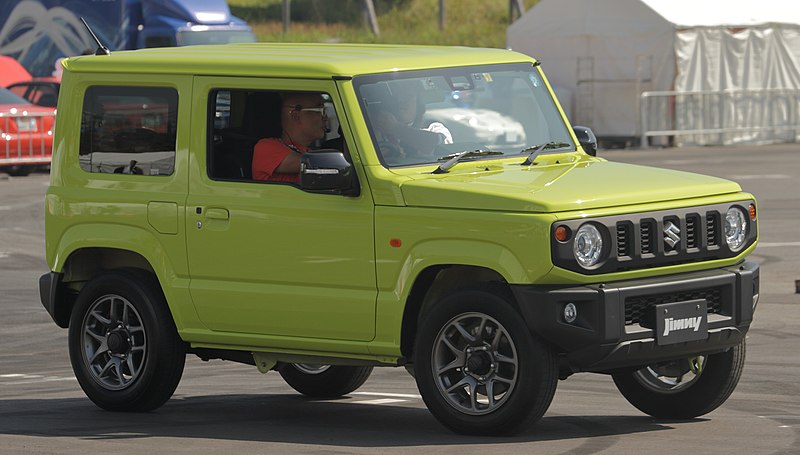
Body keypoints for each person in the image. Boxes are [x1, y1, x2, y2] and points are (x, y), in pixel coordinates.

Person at [252, 92, 327, 183]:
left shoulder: (307, 152)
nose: (325, 117)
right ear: (295, 116)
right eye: (320, 111)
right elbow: (313, 162)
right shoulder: (265, 147)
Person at [371, 81, 452, 164]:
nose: (400, 100)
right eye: (395, 97)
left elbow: (437, 145)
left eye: (407, 96)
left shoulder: (433, 128)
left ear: (418, 103)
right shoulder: (374, 132)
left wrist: (396, 128)